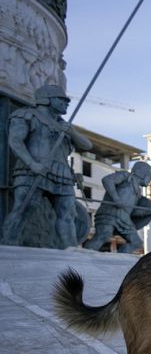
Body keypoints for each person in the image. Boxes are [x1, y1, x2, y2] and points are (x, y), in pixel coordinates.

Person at [2, 84, 92, 248]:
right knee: (24, 207)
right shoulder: (26, 115)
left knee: (68, 212)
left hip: (62, 173)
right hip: (31, 169)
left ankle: (70, 248)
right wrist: (32, 164)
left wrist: (71, 132)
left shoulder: (65, 125)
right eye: (62, 100)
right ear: (46, 100)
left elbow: (87, 146)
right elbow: (15, 141)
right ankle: (9, 243)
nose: (66, 103)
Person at [84, 162, 151, 253]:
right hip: (109, 213)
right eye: (149, 177)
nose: (150, 180)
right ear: (142, 173)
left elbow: (131, 211)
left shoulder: (138, 191)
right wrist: (116, 199)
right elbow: (107, 180)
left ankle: (121, 257)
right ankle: (85, 255)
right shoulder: (125, 176)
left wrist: (147, 212)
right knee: (104, 235)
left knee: (136, 242)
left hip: (124, 219)